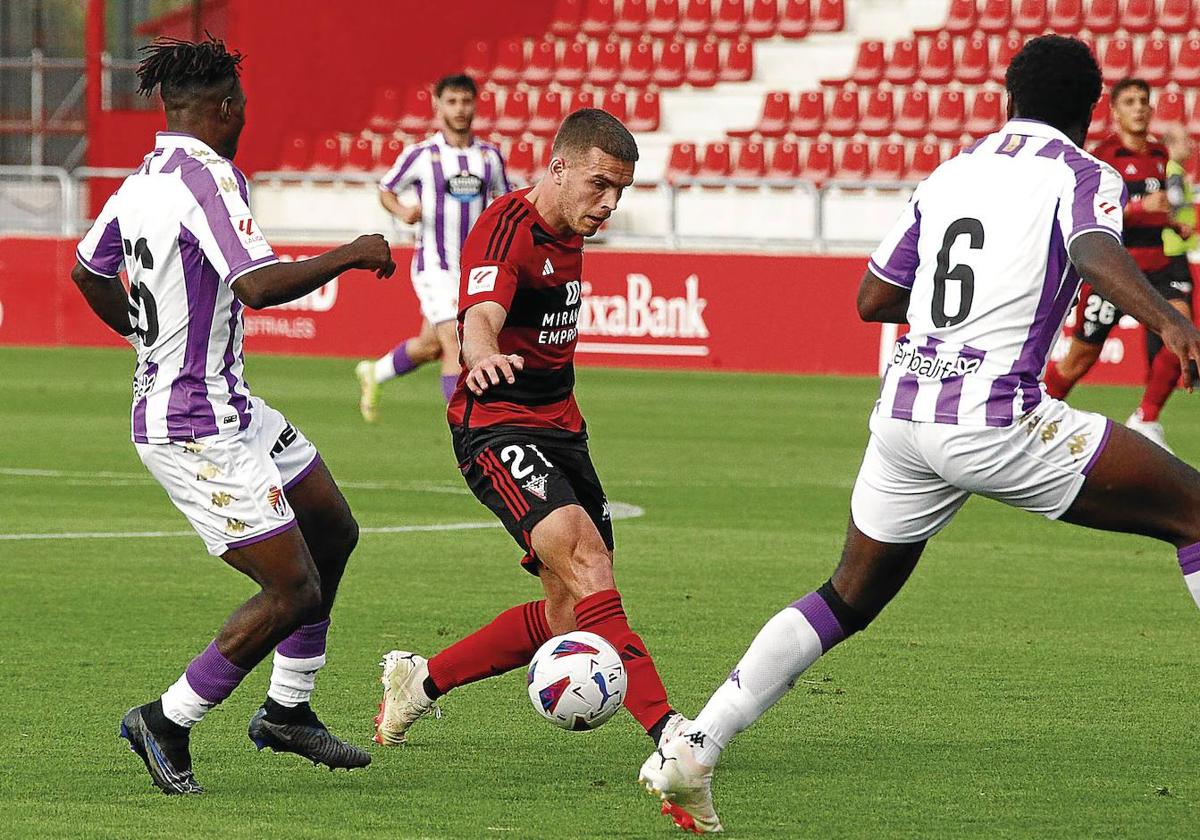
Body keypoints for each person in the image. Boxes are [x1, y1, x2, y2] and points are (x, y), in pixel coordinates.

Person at [639, 36, 1200, 834]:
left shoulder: (950, 173)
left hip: (904, 417)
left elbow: (873, 297)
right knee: (1195, 512)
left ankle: (697, 742)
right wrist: (1173, 321)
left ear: (1008, 96)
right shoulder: (1083, 174)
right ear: (1091, 108)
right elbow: (1091, 248)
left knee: (848, 593)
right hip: (995, 417)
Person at [70, 36, 395, 794]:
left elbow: (88, 269)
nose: (244, 114)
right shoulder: (212, 177)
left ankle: (288, 712)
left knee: (333, 528)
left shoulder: (142, 178)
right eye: (240, 104)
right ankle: (166, 719)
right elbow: (255, 286)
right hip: (194, 424)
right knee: (294, 590)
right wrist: (351, 252)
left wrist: (141, 335)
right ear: (225, 108)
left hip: (228, 406)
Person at [373, 109, 683, 752]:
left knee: (572, 614)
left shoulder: (572, 227)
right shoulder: (504, 228)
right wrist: (481, 355)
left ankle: (421, 681)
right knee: (590, 563)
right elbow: (481, 313)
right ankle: (672, 734)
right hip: (495, 425)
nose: (610, 202)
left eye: (621, 189)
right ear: (559, 167)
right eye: (600, 183)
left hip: (562, 428)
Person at [1043, 78, 1194, 451]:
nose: (1139, 107)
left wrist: (1173, 221)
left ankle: (1145, 419)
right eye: (1130, 101)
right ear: (1115, 111)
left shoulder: (1160, 156)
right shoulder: (1103, 157)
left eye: (1144, 100)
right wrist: (1141, 210)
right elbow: (1091, 214)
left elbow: (1163, 207)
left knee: (1182, 335)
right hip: (1117, 271)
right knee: (1080, 357)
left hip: (1159, 266)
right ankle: (1036, 412)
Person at [355, 74, 510, 420]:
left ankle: (373, 373)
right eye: (452, 102)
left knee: (430, 346)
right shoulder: (422, 155)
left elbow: (503, 201)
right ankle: (465, 426)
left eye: (466, 102)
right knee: (455, 343)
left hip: (473, 268)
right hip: (434, 266)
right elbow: (386, 189)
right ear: (437, 106)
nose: (460, 109)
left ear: (475, 105)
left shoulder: (490, 157)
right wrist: (403, 211)